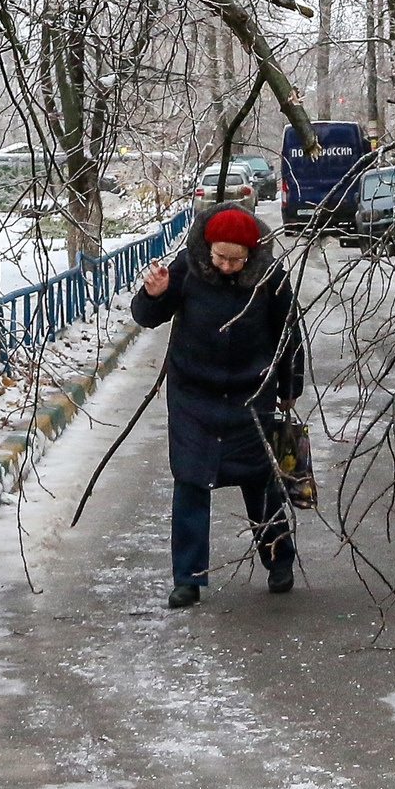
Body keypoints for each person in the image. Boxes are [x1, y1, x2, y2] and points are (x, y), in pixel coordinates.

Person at [133, 204, 306, 608]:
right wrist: (152, 294)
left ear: (251, 253)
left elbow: (289, 335)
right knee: (191, 483)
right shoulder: (188, 270)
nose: (227, 266)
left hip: (252, 396)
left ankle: (279, 561)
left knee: (262, 482)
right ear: (207, 249)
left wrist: (289, 386)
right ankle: (188, 579)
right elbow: (147, 317)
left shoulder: (271, 279)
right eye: (220, 257)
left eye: (236, 259)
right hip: (195, 397)